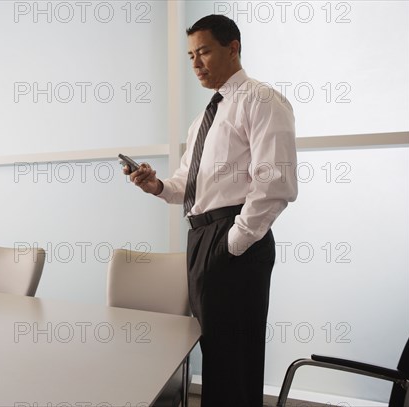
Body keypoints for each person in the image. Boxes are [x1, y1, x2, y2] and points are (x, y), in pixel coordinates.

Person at [124, 14, 298, 407]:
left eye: (203, 51)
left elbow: (275, 182)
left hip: (231, 238)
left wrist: (233, 243)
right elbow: (188, 184)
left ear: (233, 47)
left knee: (234, 359)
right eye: (190, 55)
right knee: (217, 355)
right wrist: (156, 186)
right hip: (202, 237)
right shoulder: (209, 113)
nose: (196, 63)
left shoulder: (260, 99)